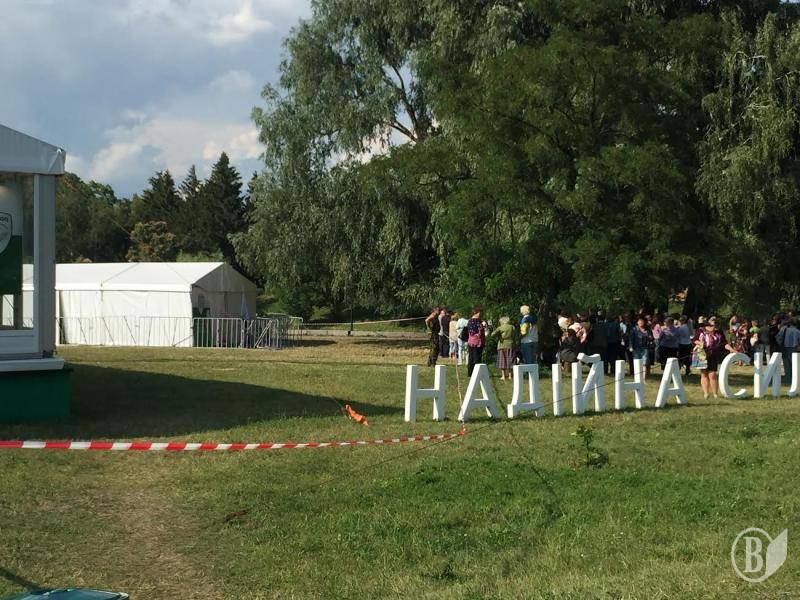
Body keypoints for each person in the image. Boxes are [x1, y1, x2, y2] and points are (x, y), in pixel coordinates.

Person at [694, 319, 725, 399]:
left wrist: (732, 350)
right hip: (701, 354)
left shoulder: (719, 332)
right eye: (715, 325)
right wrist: (700, 343)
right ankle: (706, 393)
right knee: (704, 374)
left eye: (717, 325)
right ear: (708, 325)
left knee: (713, 374)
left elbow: (724, 342)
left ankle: (715, 394)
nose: (716, 327)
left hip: (713, 354)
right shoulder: (700, 330)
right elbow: (694, 340)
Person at [492, 316, 516, 380]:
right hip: (510, 345)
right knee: (510, 360)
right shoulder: (512, 327)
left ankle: (503, 376)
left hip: (502, 345)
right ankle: (510, 376)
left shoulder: (500, 328)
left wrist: (498, 335)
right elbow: (514, 335)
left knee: (502, 361)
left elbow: (492, 334)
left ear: (502, 321)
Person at [776, 318, 800, 383]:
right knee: (794, 365)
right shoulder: (798, 331)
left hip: (785, 348)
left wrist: (781, 344)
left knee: (786, 365)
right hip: (794, 349)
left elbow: (777, 338)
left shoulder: (783, 329)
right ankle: (795, 379)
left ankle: (788, 379)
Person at [466, 306, 486, 376]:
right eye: (481, 312)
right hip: (476, 342)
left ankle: (471, 373)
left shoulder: (471, 321)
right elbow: (476, 332)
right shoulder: (476, 321)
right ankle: (475, 373)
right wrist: (481, 328)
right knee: (476, 358)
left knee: (472, 358)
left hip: (473, 342)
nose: (481, 314)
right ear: (478, 313)